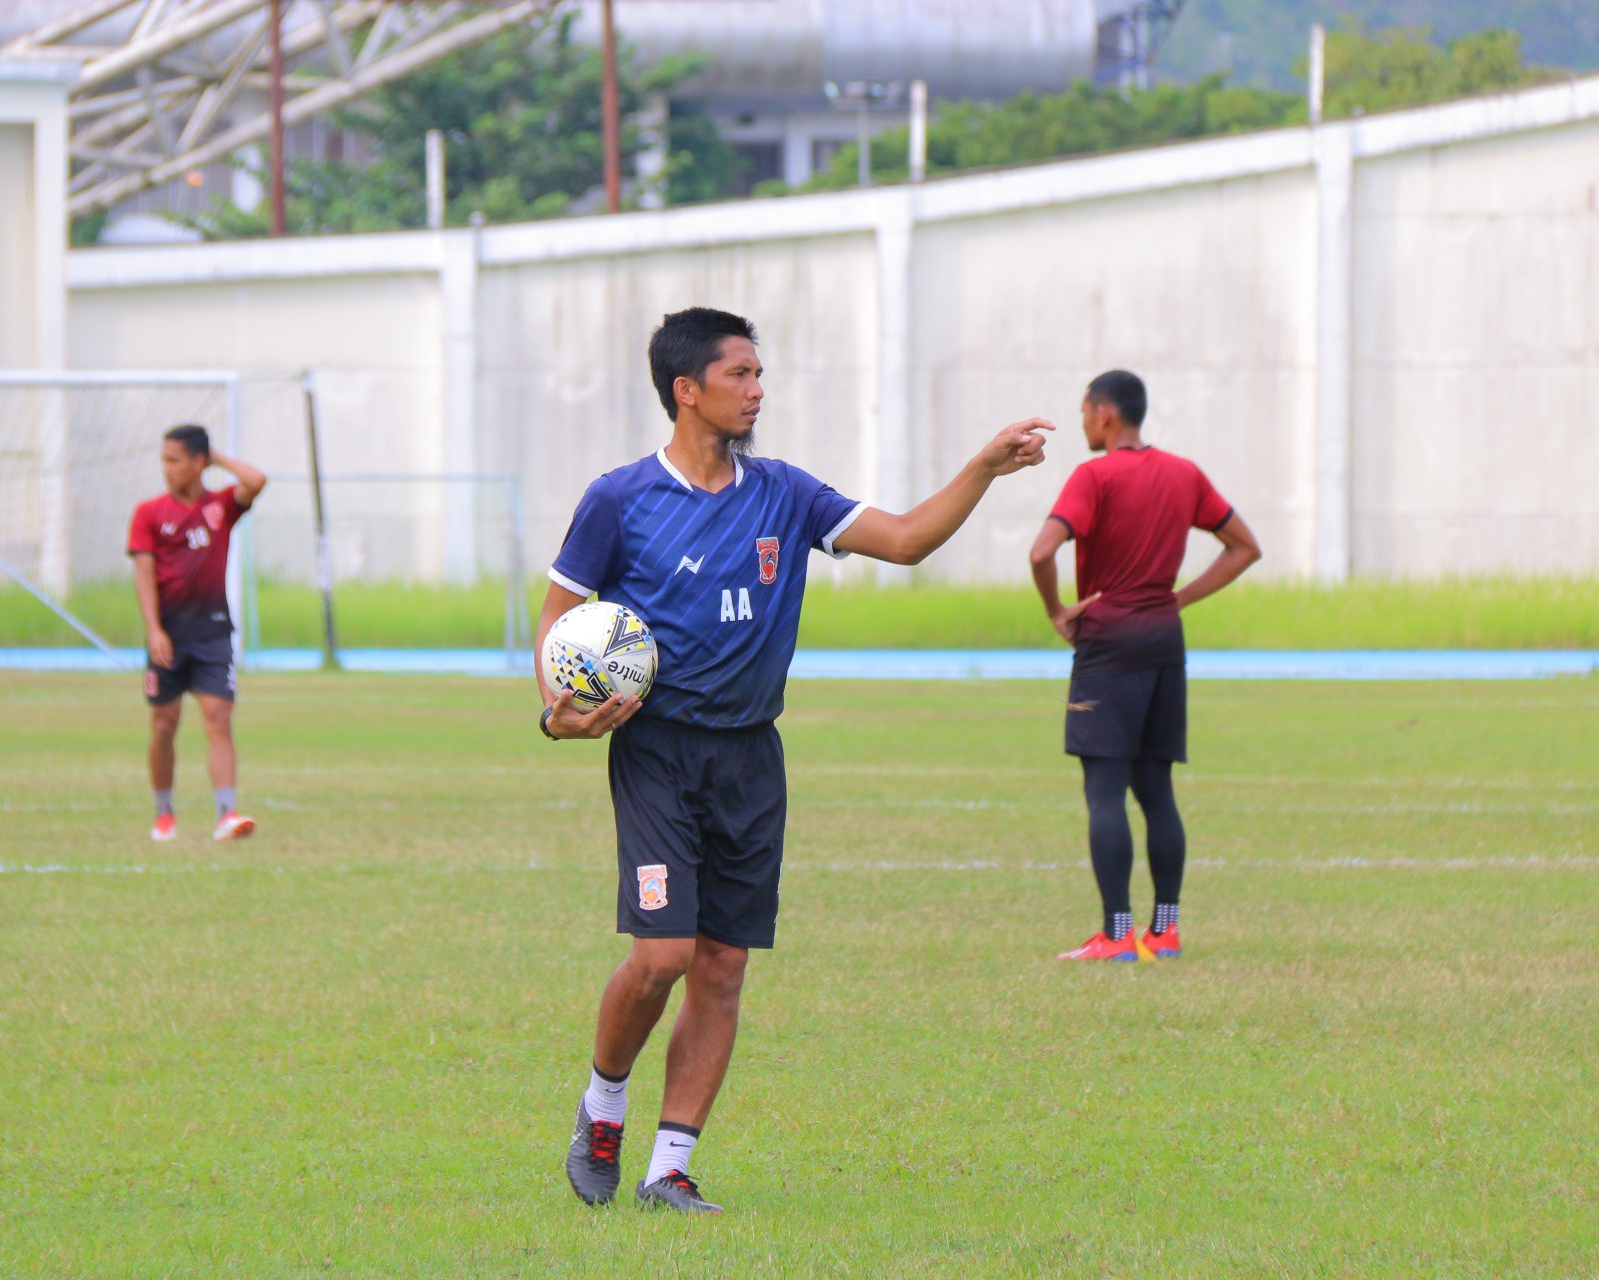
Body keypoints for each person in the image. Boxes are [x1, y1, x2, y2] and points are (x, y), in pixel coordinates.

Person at [540, 306, 1053, 1213]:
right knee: (661, 956)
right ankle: (604, 1105)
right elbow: (560, 620)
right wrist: (559, 714)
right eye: (740, 374)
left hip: (751, 759)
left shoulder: (784, 491)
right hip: (657, 752)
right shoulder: (620, 498)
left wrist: (981, 469)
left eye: (759, 373)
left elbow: (902, 541)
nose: (758, 389)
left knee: (724, 967)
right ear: (686, 390)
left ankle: (669, 1168)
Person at [1028, 370, 1261, 961]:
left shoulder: (1094, 476)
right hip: (1163, 640)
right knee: (1156, 789)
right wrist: (1177, 599)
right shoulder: (1183, 473)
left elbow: (1042, 551)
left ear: (1105, 413)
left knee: (1105, 792)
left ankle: (1116, 933)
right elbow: (1244, 548)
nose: (1082, 422)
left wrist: (1058, 612)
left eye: (1083, 412)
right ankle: (1166, 928)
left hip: (1108, 642)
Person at [127, 424, 267, 843]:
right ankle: (163, 813)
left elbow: (256, 481)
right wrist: (154, 630)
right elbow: (144, 575)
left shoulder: (221, 507)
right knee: (164, 724)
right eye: (164, 460)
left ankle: (227, 815)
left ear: (197, 463)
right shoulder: (149, 513)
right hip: (168, 636)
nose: (167, 469)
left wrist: (216, 455)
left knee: (218, 718)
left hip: (213, 634)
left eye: (175, 460)